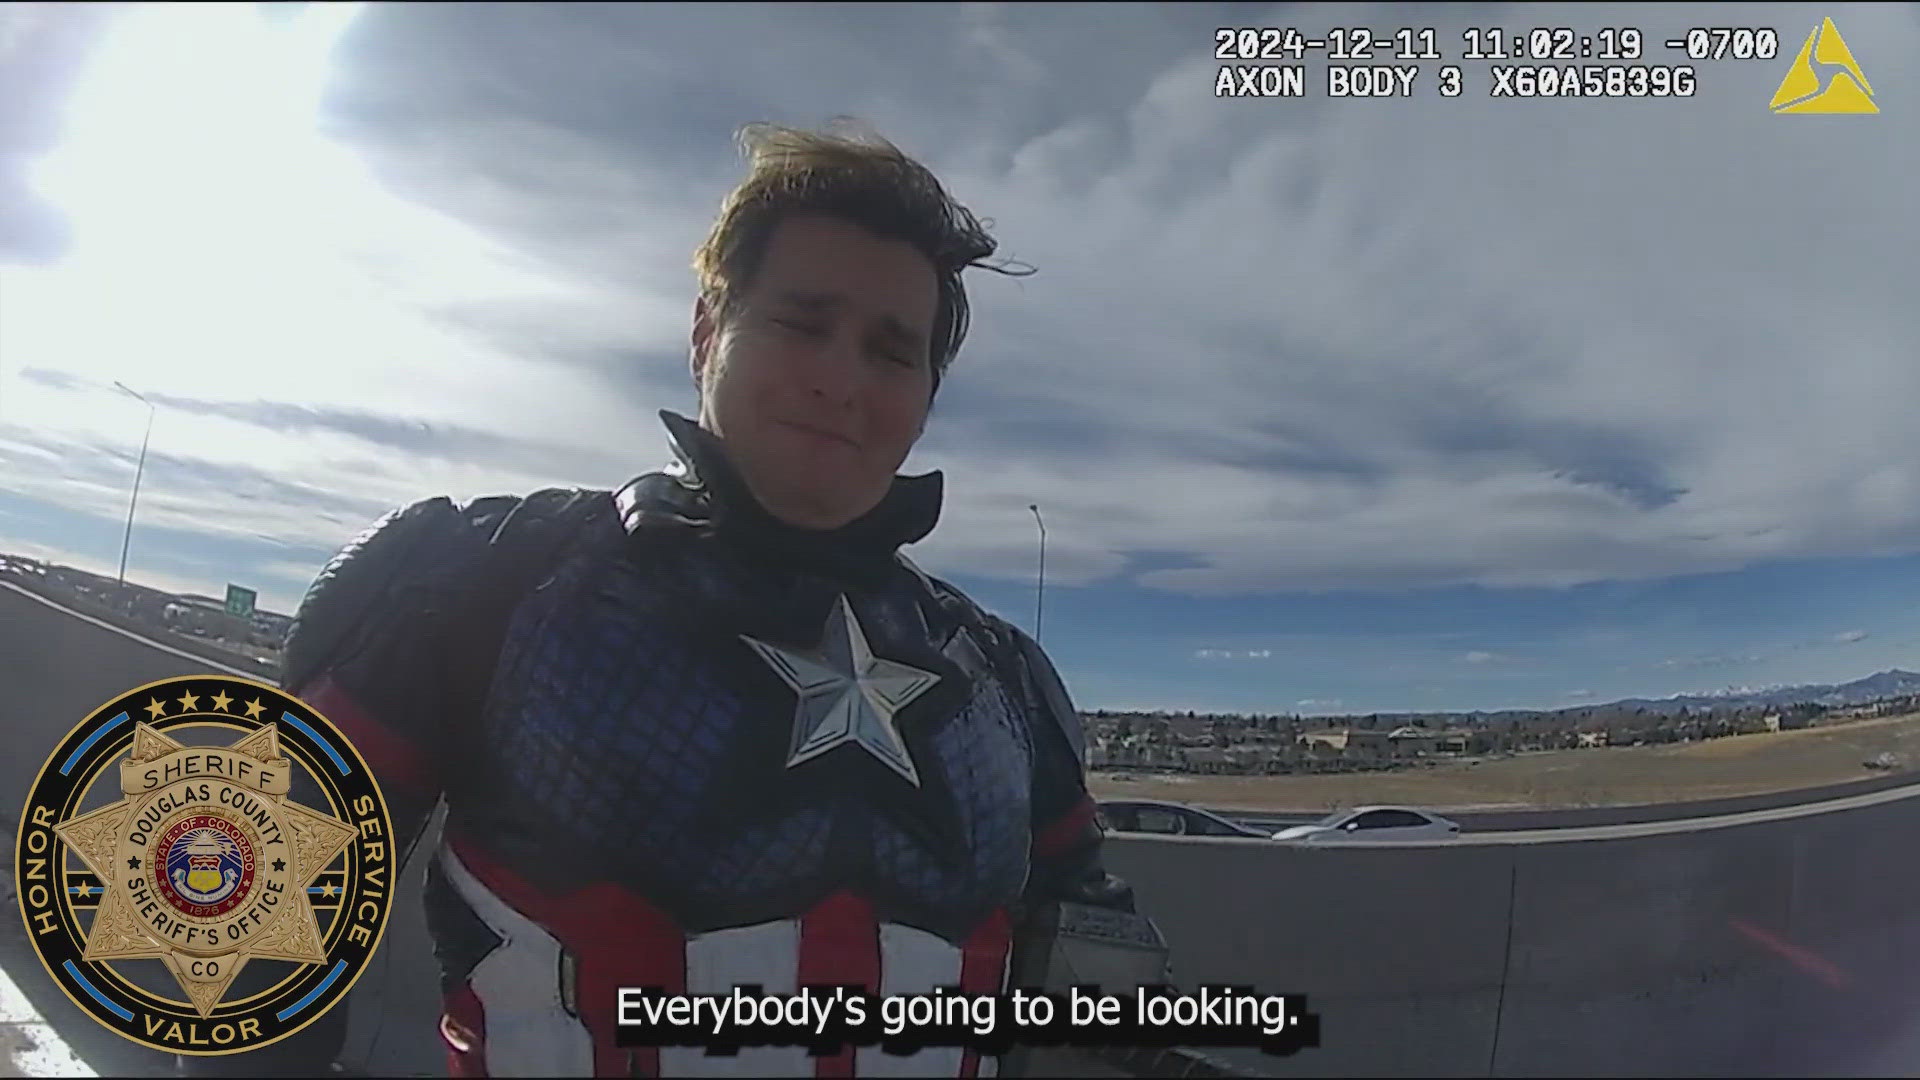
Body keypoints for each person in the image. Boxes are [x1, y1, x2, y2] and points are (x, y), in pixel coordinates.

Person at [222, 121, 1147, 1078]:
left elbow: (1100, 989)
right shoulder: (479, 583)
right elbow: (236, 942)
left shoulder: (1003, 681)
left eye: (891, 350)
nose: (839, 380)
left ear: (926, 395)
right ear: (707, 331)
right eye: (802, 322)